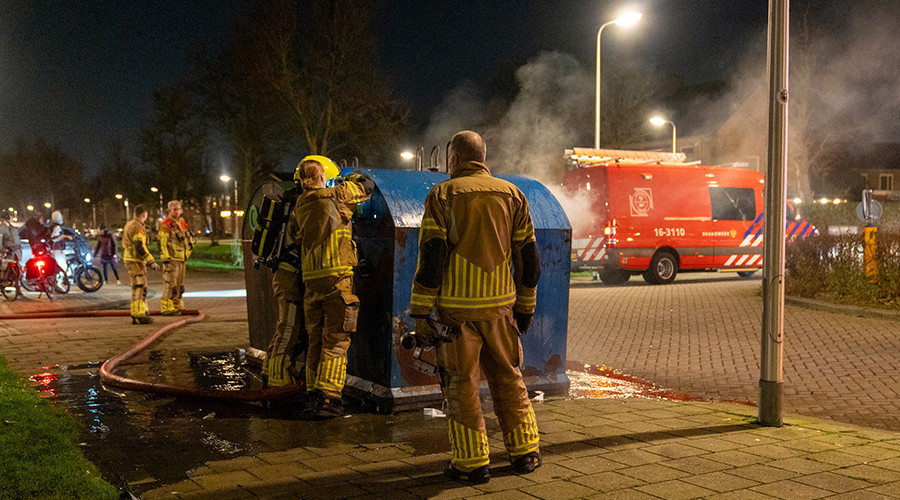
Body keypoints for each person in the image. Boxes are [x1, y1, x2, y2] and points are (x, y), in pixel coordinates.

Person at [409, 130, 542, 484]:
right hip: (501, 311)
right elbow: (529, 259)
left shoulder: (442, 195)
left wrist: (420, 312)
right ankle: (525, 453)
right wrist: (525, 307)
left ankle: (472, 464)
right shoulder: (513, 194)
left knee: (462, 385)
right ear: (483, 158)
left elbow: (431, 259)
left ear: (453, 159)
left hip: (457, 315)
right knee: (509, 378)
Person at [294, 155, 373, 418]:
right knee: (337, 339)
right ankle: (329, 398)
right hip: (337, 278)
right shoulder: (336, 195)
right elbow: (367, 186)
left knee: (315, 340)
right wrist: (349, 178)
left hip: (311, 281)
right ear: (321, 177)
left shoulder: (301, 203)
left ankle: (313, 393)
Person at [261, 156, 338, 390]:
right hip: (290, 276)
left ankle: (269, 372)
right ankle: (278, 383)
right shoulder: (303, 205)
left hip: (288, 273)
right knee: (289, 329)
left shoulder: (292, 201)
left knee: (286, 327)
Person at [123, 205, 158, 324]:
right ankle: (139, 314)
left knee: (137, 287)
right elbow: (139, 245)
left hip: (131, 259)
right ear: (144, 214)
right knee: (140, 287)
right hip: (135, 261)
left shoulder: (129, 224)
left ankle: (138, 312)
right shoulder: (138, 227)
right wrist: (150, 260)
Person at [158, 200, 194, 315]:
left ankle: (177, 304)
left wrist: (188, 251)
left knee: (179, 284)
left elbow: (187, 238)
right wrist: (165, 259)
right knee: (170, 283)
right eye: (174, 209)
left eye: (178, 209)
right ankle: (166, 307)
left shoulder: (182, 222)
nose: (177, 212)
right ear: (169, 210)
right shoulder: (165, 224)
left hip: (182, 258)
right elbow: (162, 243)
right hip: (172, 258)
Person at [0, 212, 22, 284]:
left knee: (16, 270)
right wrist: (2, 249)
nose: (12, 218)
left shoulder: (12, 228)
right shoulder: (2, 228)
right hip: (8, 253)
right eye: (11, 217)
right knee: (4, 269)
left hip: (15, 252)